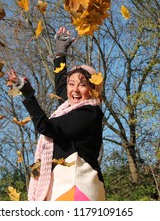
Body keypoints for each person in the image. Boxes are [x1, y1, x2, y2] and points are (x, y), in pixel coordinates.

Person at [7, 27, 105, 201]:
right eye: (71, 84)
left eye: (82, 85)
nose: (74, 89)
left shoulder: (88, 113)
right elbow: (61, 88)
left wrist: (29, 95)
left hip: (78, 189)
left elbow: (47, 127)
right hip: (66, 188)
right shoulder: (71, 107)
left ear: (92, 89)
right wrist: (60, 53)